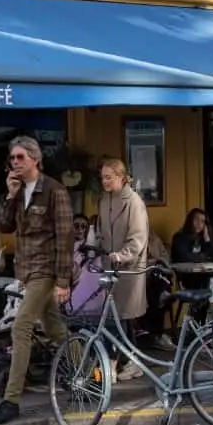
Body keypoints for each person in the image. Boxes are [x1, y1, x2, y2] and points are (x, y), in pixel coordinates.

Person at [0, 136, 73, 425]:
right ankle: (88, 373)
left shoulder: (54, 191)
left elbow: (65, 237)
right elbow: (4, 226)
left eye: (20, 157)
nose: (15, 162)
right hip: (25, 270)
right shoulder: (18, 190)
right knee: (54, 327)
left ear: (35, 159)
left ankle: (11, 400)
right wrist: (10, 195)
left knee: (21, 326)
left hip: (46, 269)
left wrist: (63, 280)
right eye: (12, 158)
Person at [96, 158, 150, 380]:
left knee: (121, 316)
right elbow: (100, 229)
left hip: (128, 269)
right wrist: (97, 246)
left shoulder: (134, 202)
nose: (105, 181)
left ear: (121, 176)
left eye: (109, 177)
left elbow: (138, 238)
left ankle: (119, 362)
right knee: (119, 317)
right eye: (102, 178)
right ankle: (131, 361)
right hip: (111, 266)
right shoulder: (104, 200)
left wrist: (122, 255)